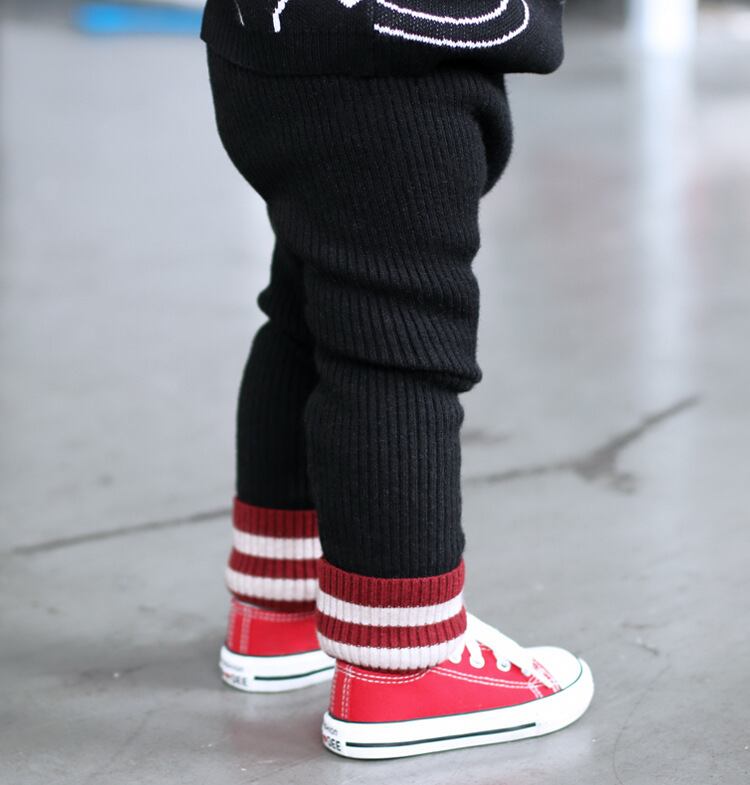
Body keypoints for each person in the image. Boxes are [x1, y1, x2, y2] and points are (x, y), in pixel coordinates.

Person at [201, 0, 593, 759]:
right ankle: (405, 665)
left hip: (266, 47)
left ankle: (282, 606)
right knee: (396, 340)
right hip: (392, 56)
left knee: (311, 304)